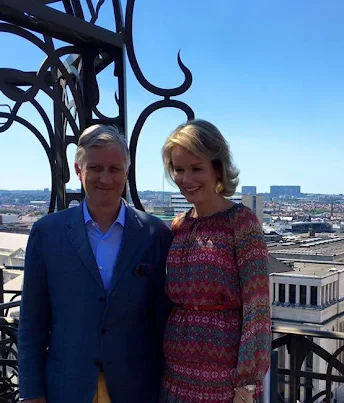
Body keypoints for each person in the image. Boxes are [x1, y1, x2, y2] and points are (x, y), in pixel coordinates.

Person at [18, 125, 172, 403]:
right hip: (66, 388)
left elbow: (162, 321)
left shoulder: (155, 234)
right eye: (96, 167)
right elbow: (32, 321)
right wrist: (31, 392)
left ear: (127, 172)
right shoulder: (47, 233)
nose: (105, 178)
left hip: (136, 388)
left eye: (114, 169)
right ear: (78, 170)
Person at [160, 120, 271, 403]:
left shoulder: (242, 223)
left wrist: (247, 383)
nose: (185, 179)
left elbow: (257, 308)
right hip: (175, 370)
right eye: (178, 169)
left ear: (217, 169)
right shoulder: (178, 226)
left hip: (224, 375)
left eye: (197, 168)